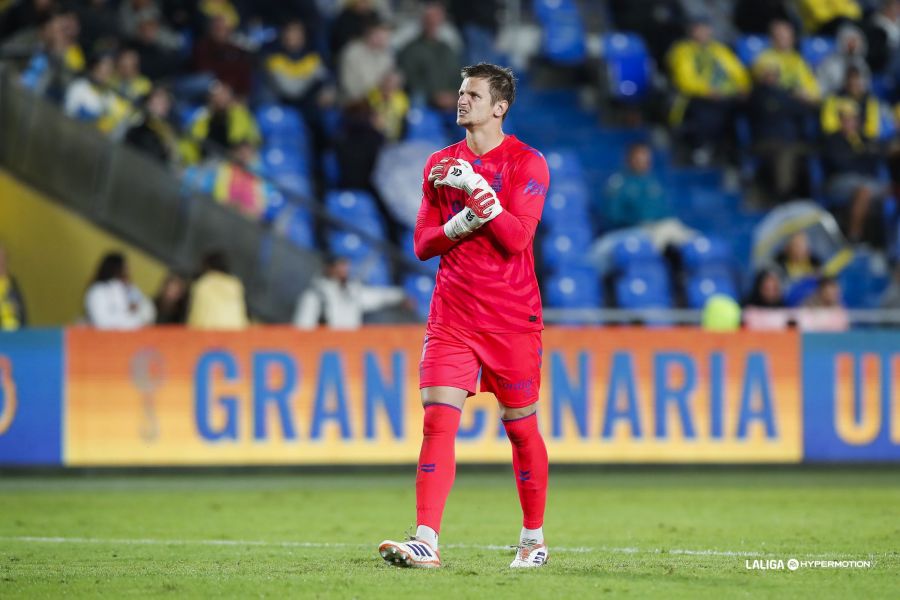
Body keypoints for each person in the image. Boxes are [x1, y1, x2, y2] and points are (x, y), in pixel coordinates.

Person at [378, 63, 550, 569]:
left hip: (511, 319)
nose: (462, 100)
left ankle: (533, 540)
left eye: (473, 94)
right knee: (437, 422)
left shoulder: (528, 162)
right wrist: (462, 220)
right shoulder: (438, 163)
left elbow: (518, 237)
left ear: (500, 107)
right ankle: (426, 540)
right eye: (460, 92)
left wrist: (478, 192)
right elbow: (422, 244)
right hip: (451, 317)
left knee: (520, 429)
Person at [667, 17, 750, 164]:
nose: (703, 32)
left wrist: (743, 87)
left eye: (705, 28)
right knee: (708, 109)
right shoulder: (682, 50)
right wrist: (707, 90)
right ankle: (702, 148)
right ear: (691, 31)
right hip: (697, 98)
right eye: (698, 28)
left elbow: (739, 72)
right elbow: (684, 80)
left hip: (727, 96)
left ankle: (743, 154)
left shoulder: (719, 50)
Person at [598, 143, 695, 247]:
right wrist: (637, 221)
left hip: (665, 225)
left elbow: (665, 210)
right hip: (637, 229)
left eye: (646, 158)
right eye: (639, 158)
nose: (644, 162)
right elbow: (613, 215)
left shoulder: (653, 181)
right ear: (629, 159)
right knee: (659, 237)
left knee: (693, 239)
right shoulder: (619, 182)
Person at [293, 256, 407, 329]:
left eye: (345, 265)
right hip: (325, 353)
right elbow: (302, 328)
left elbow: (377, 297)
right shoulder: (315, 296)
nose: (345, 269)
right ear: (329, 268)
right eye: (340, 265)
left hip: (350, 351)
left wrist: (401, 296)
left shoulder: (352, 291)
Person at [397, 1, 462, 112]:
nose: (433, 21)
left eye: (436, 18)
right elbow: (410, 79)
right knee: (417, 98)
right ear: (423, 20)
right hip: (426, 98)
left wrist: (454, 94)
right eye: (429, 18)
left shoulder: (447, 49)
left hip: (450, 97)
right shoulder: (411, 49)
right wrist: (434, 95)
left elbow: (457, 75)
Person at [84, 252, 156, 329]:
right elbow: (101, 323)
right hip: (97, 338)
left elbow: (146, 311)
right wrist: (132, 317)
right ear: (114, 269)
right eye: (124, 270)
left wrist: (135, 310)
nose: (128, 273)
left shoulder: (129, 289)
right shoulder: (97, 291)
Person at [186, 251, 248, 329]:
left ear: (207, 266)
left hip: (204, 335)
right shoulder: (236, 285)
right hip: (235, 334)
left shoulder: (202, 284)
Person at [817, 24, 871, 97]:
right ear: (842, 41)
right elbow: (821, 87)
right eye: (850, 41)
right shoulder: (830, 63)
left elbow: (865, 89)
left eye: (855, 41)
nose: (853, 45)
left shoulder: (862, 66)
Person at [0, 244, 27, 330]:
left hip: (15, 334)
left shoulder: (13, 283)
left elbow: (23, 311)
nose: (1, 261)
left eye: (3, 257)